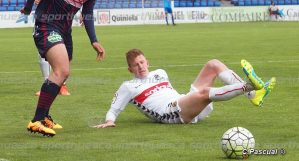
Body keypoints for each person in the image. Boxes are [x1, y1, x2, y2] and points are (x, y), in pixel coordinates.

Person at [21, 0, 109, 137]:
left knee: (63, 74)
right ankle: (36, 121)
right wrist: (28, 9)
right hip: (47, 23)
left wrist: (93, 40)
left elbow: (88, 12)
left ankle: (43, 117)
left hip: (65, 29)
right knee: (62, 70)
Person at [94, 49, 275, 128]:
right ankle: (249, 85)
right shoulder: (129, 86)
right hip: (171, 113)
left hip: (184, 102)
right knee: (204, 94)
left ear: (147, 62)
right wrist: (110, 120)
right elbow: (114, 108)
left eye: (142, 62)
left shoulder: (160, 72)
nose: (140, 66)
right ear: (130, 69)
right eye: (135, 65)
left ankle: (253, 94)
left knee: (213, 64)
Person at [31, 0, 70, 97]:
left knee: (63, 51)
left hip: (61, 18)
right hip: (43, 18)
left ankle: (62, 85)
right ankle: (46, 84)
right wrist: (35, 1)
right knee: (42, 53)